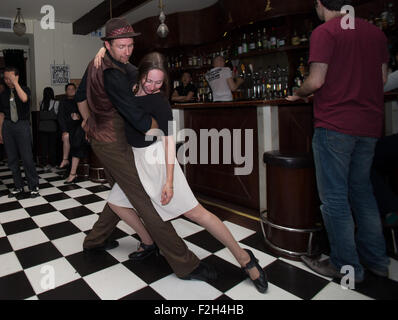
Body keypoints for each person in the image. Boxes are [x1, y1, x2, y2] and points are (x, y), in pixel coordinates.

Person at [103, 51, 268, 293]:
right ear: (141, 74)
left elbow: (169, 142)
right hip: (135, 162)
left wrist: (169, 181)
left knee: (197, 214)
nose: (152, 86)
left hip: (158, 162)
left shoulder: (160, 102)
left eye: (158, 82)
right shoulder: (130, 88)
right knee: (116, 203)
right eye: (149, 80)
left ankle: (245, 258)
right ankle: (148, 241)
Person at [76, 18, 216, 283]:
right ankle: (184, 263)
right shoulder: (111, 73)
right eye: (120, 46)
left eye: (130, 45)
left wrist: (86, 121)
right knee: (141, 196)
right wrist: (163, 128)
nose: (127, 51)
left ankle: (94, 241)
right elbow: (139, 120)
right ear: (107, 44)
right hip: (110, 141)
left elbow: (81, 95)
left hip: (111, 136)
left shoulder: (109, 62)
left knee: (122, 191)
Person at [287, 0, 390, 282]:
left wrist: (298, 92)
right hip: (369, 126)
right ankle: (377, 260)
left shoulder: (325, 32)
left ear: (320, 4)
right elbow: (381, 79)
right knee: (362, 192)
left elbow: (316, 81)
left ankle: (347, 266)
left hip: (335, 124)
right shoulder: (375, 33)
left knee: (334, 198)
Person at [0, 66, 39, 198]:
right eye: (5, 78)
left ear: (16, 77)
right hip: (7, 126)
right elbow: (1, 114)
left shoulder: (24, 89)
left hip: (22, 125)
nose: (7, 80)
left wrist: (15, 83)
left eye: (10, 77)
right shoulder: (3, 94)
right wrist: (0, 132)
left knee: (27, 157)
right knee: (12, 159)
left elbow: (24, 99)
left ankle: (33, 186)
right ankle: (18, 186)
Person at [57, 83, 89, 183]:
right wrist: (64, 130)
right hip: (69, 128)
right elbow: (61, 117)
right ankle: (68, 167)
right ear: (66, 91)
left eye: (72, 89)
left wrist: (79, 117)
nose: (71, 90)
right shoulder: (63, 102)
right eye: (69, 89)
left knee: (75, 142)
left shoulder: (80, 101)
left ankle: (71, 172)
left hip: (81, 128)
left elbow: (85, 116)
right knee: (67, 137)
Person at [38, 87, 59, 172]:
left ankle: (45, 164)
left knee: (44, 147)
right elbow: (57, 114)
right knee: (52, 147)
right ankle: (53, 164)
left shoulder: (41, 103)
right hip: (52, 127)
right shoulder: (56, 103)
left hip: (42, 127)